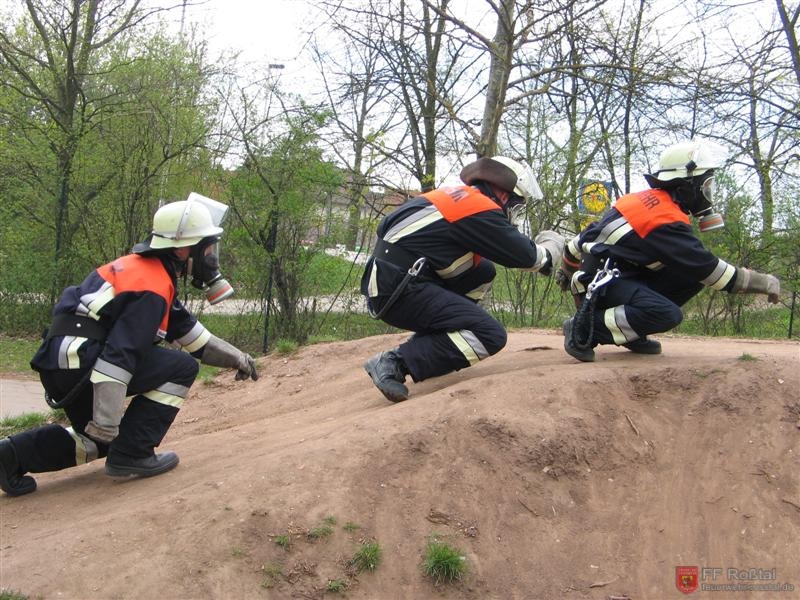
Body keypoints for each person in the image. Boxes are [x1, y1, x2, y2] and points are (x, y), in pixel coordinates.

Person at [0, 194, 259, 497]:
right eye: (208, 247)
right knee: (182, 368)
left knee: (97, 441)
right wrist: (108, 425)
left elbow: (193, 336)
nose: (211, 256)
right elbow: (120, 357)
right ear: (183, 249)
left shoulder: (147, 273)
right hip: (83, 361)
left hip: (63, 362)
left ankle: (10, 456)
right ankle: (134, 453)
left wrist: (237, 358)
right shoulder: (152, 285)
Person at [361, 155, 564, 402]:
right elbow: (532, 259)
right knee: (490, 335)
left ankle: (431, 344)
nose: (516, 209)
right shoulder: (479, 208)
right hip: (400, 287)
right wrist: (555, 243)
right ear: (502, 193)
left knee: (483, 270)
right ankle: (395, 363)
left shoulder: (454, 197)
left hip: (390, 281)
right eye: (517, 202)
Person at [557, 139, 781, 362]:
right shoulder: (663, 220)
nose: (708, 193)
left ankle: (630, 333)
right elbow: (711, 271)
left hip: (608, 279)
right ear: (686, 187)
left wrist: (568, 271)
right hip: (604, 284)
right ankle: (583, 328)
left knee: (691, 276)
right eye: (706, 185)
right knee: (666, 314)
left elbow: (578, 242)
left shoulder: (641, 201)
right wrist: (763, 282)